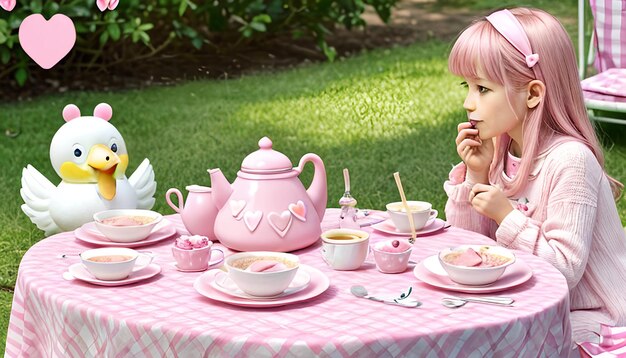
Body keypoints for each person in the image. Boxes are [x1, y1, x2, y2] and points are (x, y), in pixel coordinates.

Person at [442, 7, 626, 350]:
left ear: (533, 94)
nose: (468, 103)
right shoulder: (500, 150)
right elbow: (465, 247)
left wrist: (506, 216)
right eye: (467, 86)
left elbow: (565, 271)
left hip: (594, 316)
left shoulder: (570, 161)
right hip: (531, 303)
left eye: (482, 88)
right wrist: (476, 174)